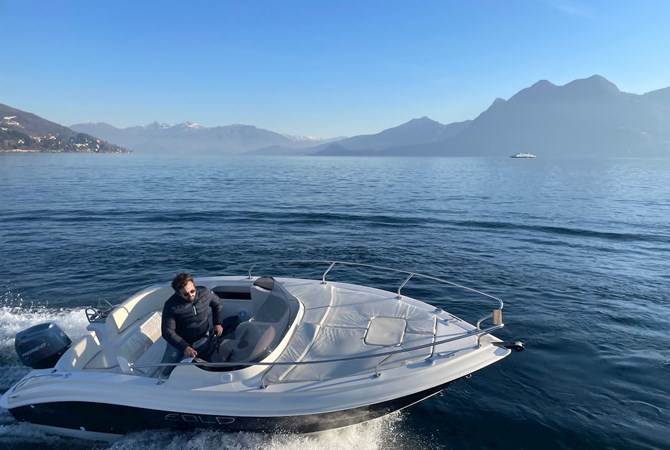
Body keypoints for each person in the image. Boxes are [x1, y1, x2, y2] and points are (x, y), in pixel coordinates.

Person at [160, 272, 226, 373]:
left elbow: (218, 305)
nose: (191, 295)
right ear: (178, 293)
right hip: (179, 343)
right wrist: (184, 347)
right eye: (186, 294)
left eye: (192, 291)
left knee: (208, 367)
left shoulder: (204, 293)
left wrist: (218, 323)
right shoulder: (171, 306)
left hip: (203, 338)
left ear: (194, 286)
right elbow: (167, 331)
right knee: (165, 370)